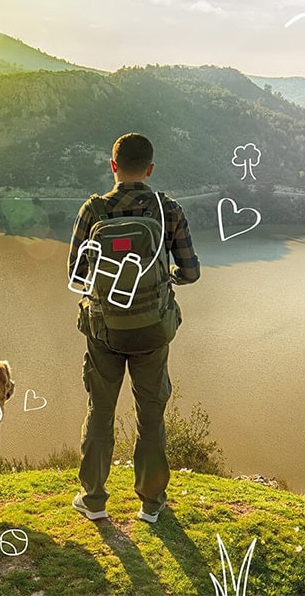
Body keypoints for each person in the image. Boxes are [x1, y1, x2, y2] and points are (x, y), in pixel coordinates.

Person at [67, 132, 200, 523]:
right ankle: (151, 503)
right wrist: (166, 277)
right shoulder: (168, 210)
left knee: (100, 412)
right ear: (150, 169)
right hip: (153, 331)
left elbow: (76, 273)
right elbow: (191, 272)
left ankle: (93, 500)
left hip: (104, 331)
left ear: (113, 166)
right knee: (151, 415)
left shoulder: (93, 211)